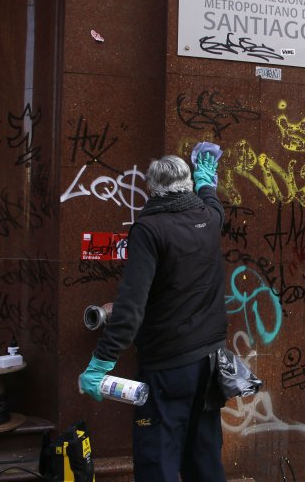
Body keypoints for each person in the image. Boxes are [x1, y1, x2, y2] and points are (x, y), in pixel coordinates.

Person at [78, 151, 227, 482]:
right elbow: (213, 202)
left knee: (157, 460)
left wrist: (101, 363)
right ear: (187, 184)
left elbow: (131, 307)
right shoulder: (209, 219)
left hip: (167, 367)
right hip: (210, 363)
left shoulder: (149, 230)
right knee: (204, 459)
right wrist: (205, 178)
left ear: (152, 188)